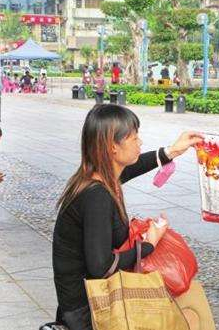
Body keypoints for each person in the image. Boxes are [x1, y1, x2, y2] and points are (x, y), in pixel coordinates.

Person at [52, 104, 203, 329]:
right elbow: (102, 267)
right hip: (89, 309)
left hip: (94, 294)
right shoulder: (97, 196)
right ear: (113, 146)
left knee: (191, 298)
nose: (140, 143)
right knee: (190, 314)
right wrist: (150, 243)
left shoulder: (99, 177)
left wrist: (171, 151)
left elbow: (131, 168)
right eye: (134, 138)